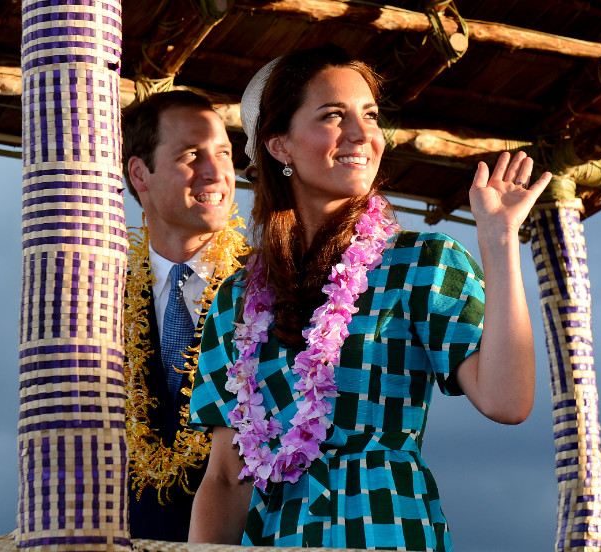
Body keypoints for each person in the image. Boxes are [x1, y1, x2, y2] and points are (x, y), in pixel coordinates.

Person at [187, 45, 551, 551]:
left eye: (370, 115)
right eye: (334, 115)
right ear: (279, 145)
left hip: (388, 529)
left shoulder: (423, 262)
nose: (362, 134)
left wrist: (498, 238)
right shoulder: (235, 300)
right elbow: (227, 478)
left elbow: (508, 402)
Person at [120, 89, 249, 541]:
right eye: (192, 155)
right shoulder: (102, 301)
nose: (215, 172)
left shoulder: (271, 286)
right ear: (140, 173)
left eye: (223, 153)